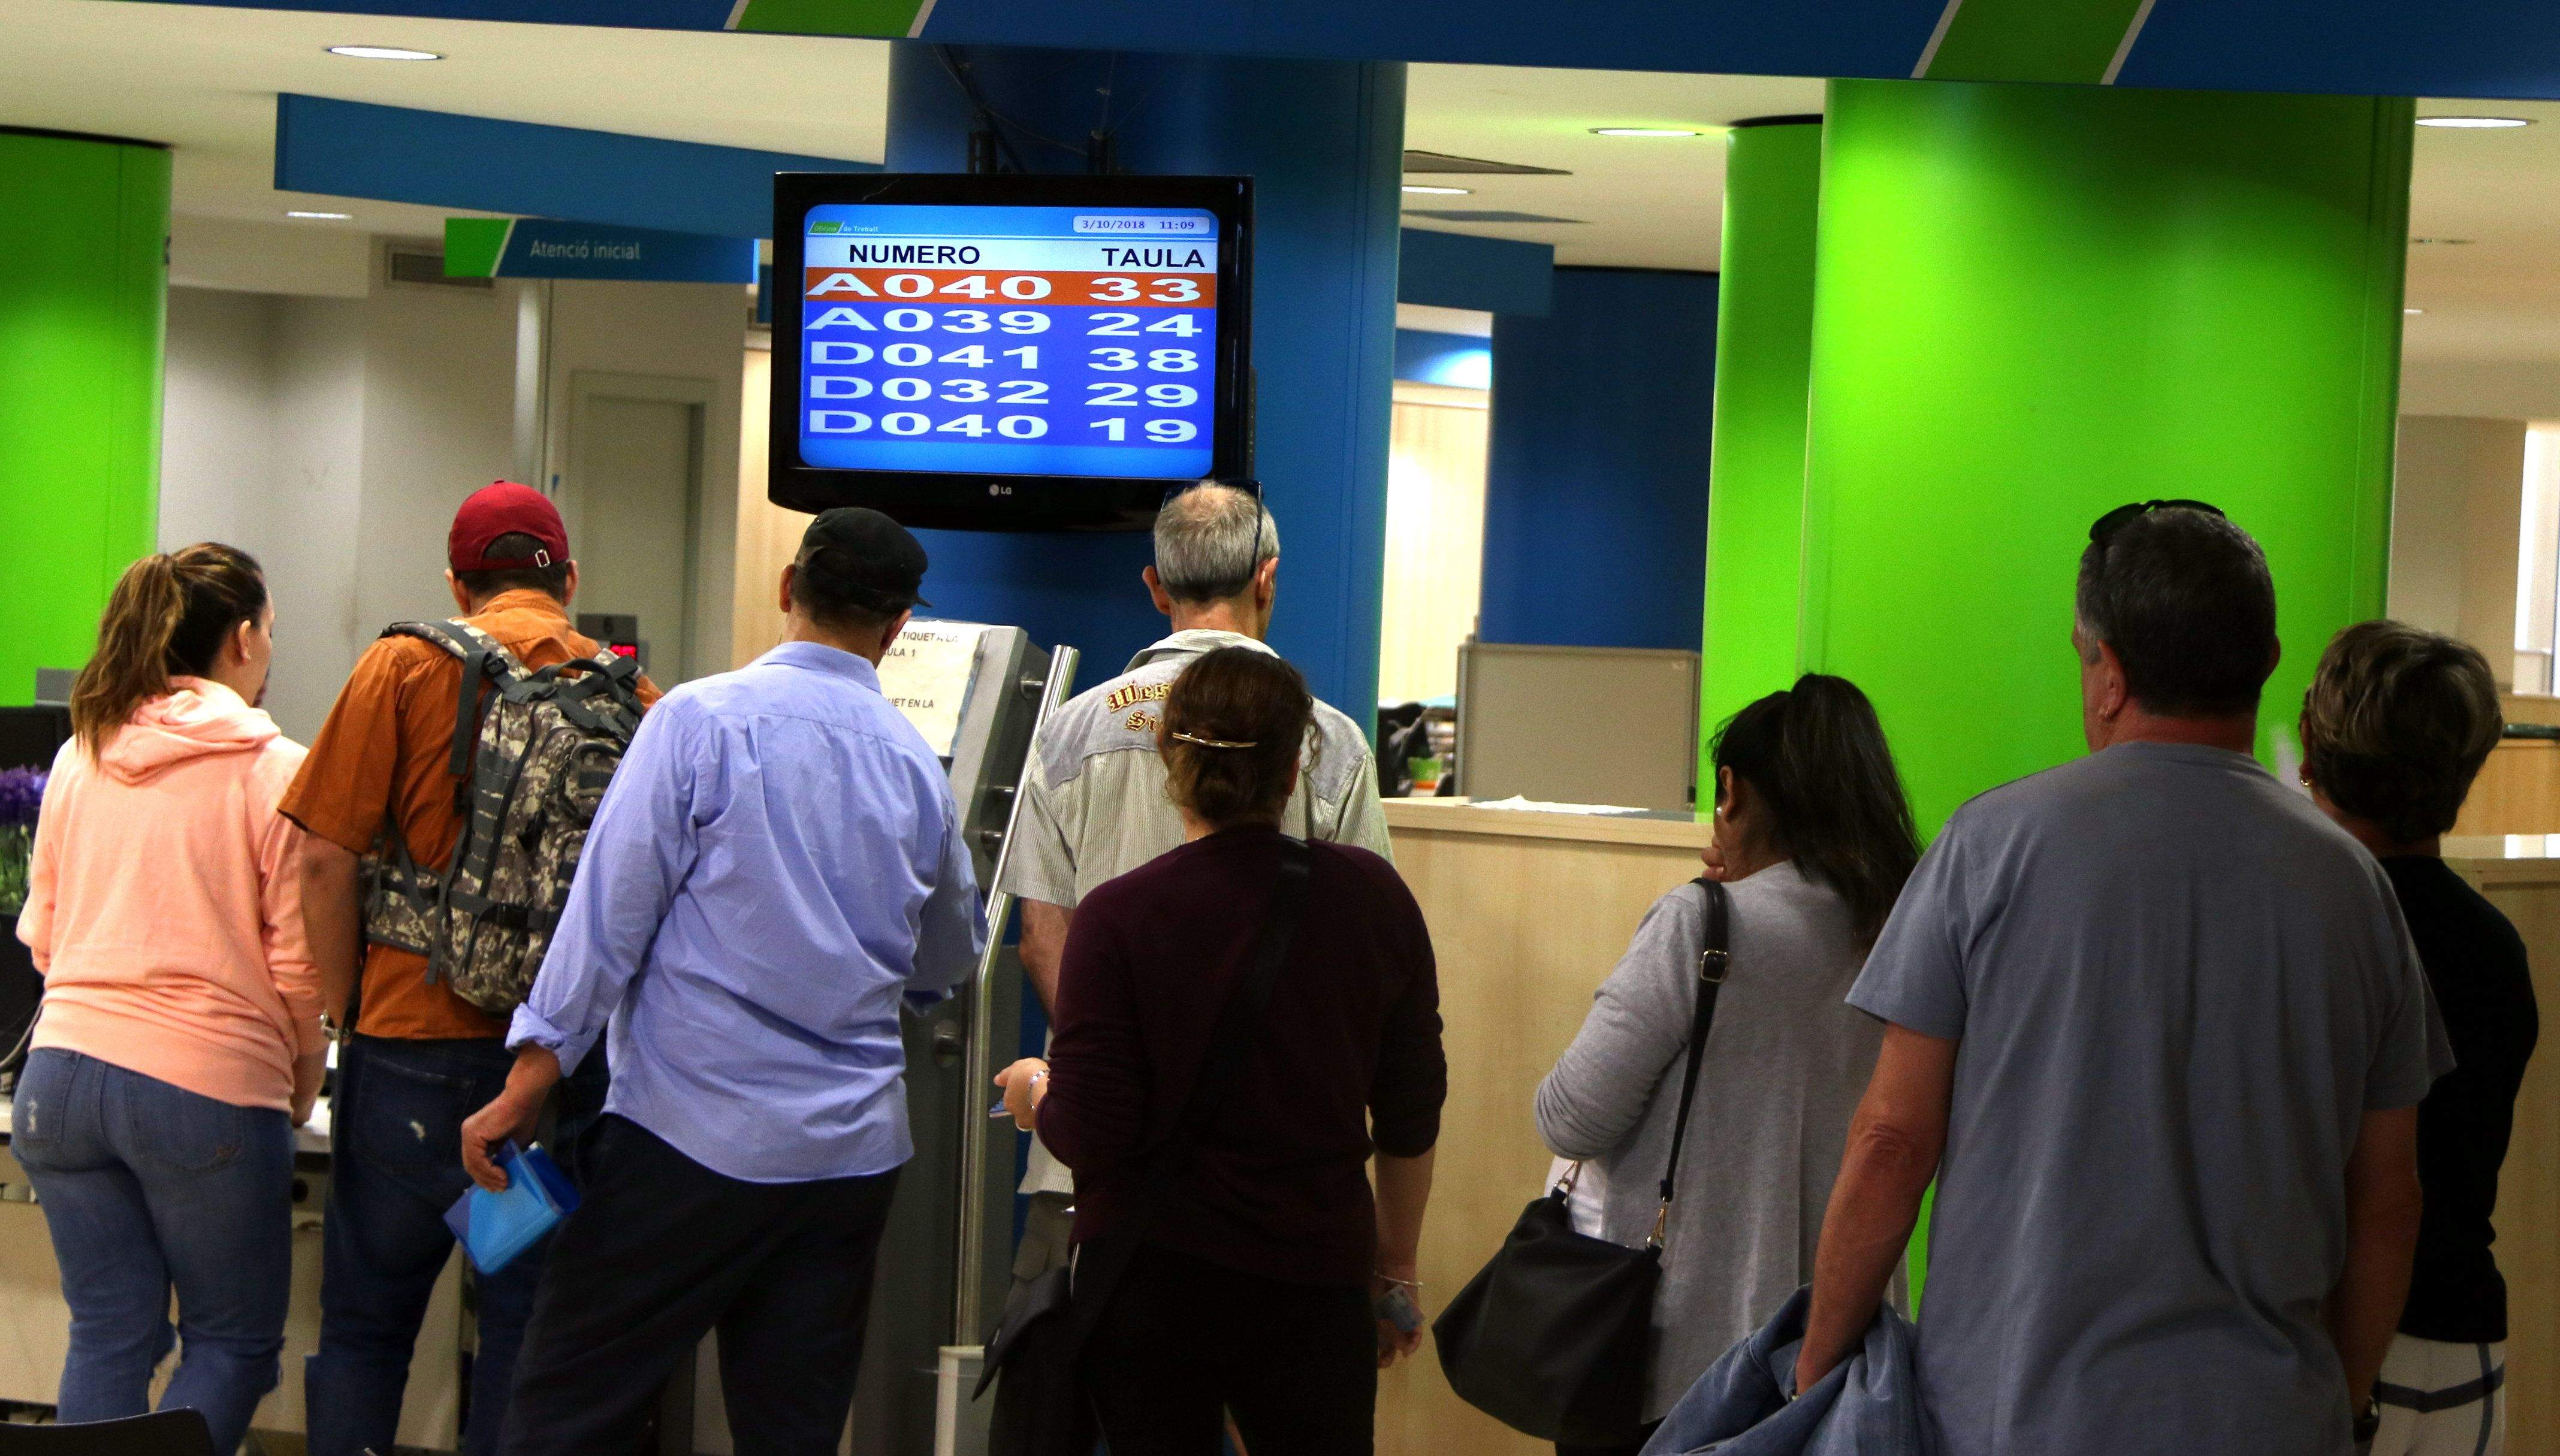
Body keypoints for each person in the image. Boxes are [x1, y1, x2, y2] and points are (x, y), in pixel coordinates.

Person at [1796, 503, 2450, 1455]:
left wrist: (1816, 1369)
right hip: (2267, 1421)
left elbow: (1893, 1140)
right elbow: (2389, 1199)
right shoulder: (2355, 888)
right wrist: (2336, 1402)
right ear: (2270, 661)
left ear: (2108, 670)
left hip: (2014, 1419)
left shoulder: (1989, 848)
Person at [460, 508, 984, 1456]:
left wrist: (531, 1074)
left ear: (789, 588)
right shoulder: (917, 766)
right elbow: (950, 954)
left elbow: (607, 917)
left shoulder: (698, 721)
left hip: (687, 1138)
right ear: (898, 626)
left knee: (567, 1412)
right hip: (847, 1160)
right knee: (793, 1431)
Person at [995, 647, 1444, 1455]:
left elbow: (1094, 1129)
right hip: (1316, 1273)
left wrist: (1035, 1090)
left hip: (1155, 1279)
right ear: (1297, 765)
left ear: (1172, 760)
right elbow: (1412, 1107)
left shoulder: (1120, 916)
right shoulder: (1373, 898)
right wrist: (1395, 1265)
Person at [283, 482, 652, 1456]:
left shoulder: (402, 666)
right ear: (570, 581)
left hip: (406, 1051)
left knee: (367, 1328)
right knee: (521, 1331)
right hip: (545, 1076)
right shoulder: (632, 699)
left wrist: (347, 1011)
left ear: (457, 583)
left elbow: (321, 857)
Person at [997, 481, 1394, 1300]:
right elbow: (1362, 950)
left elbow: (1040, 937)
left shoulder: (1068, 731)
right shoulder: (1330, 741)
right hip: (1276, 1174)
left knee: (1079, 1368)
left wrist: (1116, 1075)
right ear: (1268, 579)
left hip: (1093, 1164)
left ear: (1155, 587)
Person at [1533, 673, 1919, 1456]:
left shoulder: (1701, 923)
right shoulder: (1908, 928)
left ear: (1733, 791)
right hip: (1839, 1357)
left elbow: (1572, 1116)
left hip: (1676, 1360)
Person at [11, 545, 326, 1454]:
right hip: (205, 1088)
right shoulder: (274, 770)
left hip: (57, 1084)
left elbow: (42, 932)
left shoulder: (81, 754)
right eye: (270, 632)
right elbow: (298, 968)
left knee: (110, 1329)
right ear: (242, 639)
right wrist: (304, 1070)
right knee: (232, 1341)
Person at [2301, 621, 2538, 1456]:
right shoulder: (2495, 944)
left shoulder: (2315, 930)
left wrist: (2346, 1392)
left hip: (2344, 1346)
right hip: (2469, 1352)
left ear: (2313, 754)